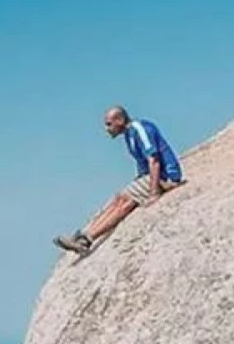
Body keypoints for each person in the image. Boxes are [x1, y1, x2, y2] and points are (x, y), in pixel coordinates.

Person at [54, 107, 184, 255]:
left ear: (120, 120)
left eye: (109, 124)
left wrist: (154, 193)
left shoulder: (139, 129)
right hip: (152, 175)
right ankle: (83, 236)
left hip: (166, 176)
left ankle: (88, 239)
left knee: (128, 200)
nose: (107, 129)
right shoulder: (129, 135)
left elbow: (153, 160)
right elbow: (142, 162)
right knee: (119, 198)